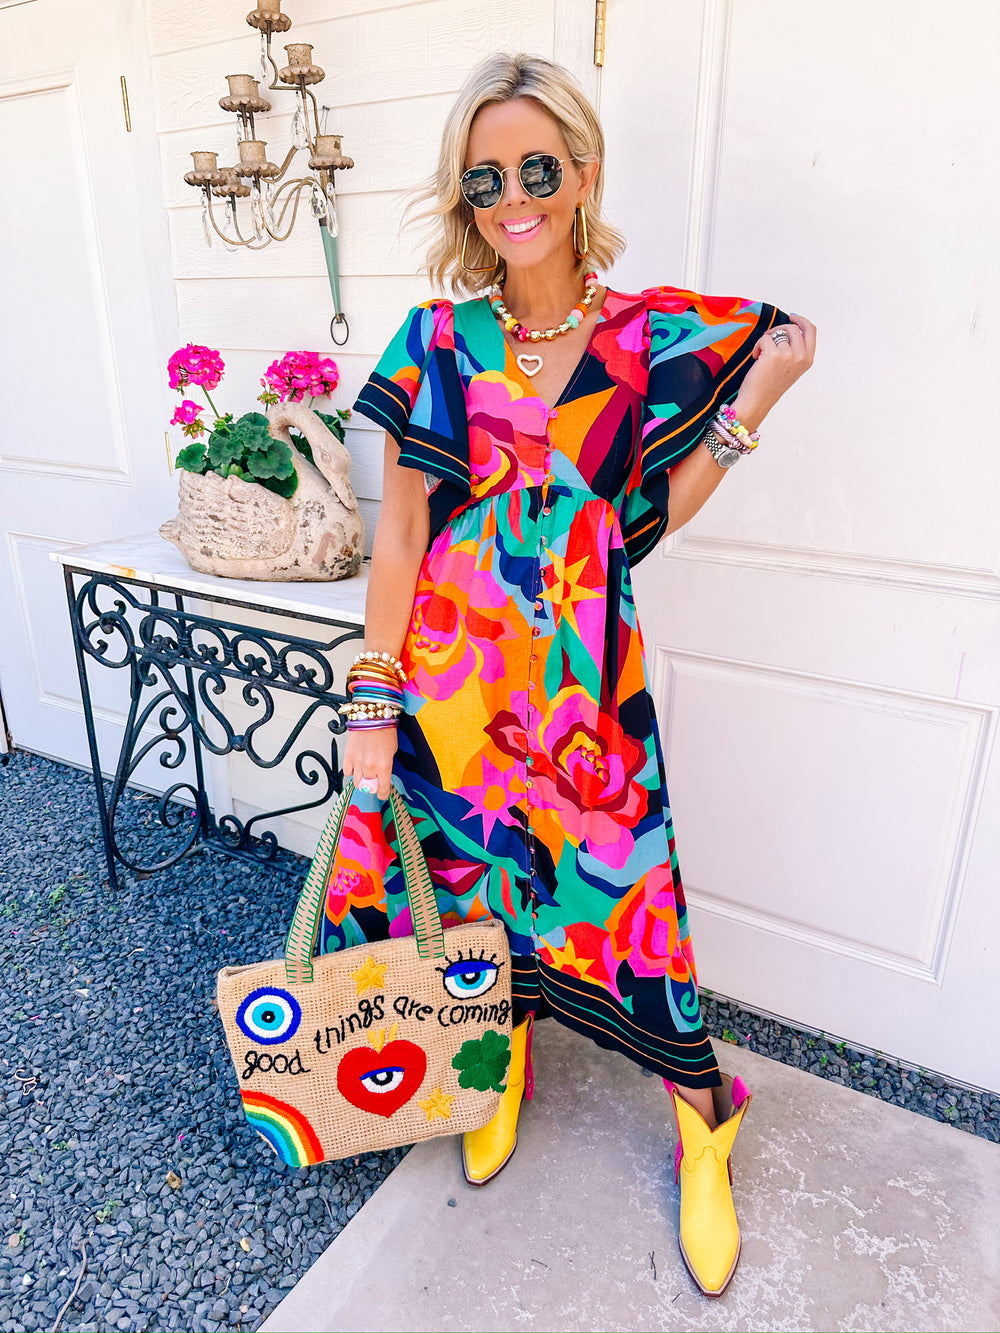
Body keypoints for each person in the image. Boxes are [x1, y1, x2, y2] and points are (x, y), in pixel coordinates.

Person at [326, 52, 815, 1297]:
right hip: (452, 688)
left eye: (536, 169)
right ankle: (497, 1057)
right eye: (485, 177)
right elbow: (400, 531)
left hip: (587, 688)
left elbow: (648, 517)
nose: (513, 198)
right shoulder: (439, 339)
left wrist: (756, 396)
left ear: (584, 173)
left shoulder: (646, 337)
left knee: (631, 900)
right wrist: (373, 696)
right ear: (465, 195)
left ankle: (704, 1120)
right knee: (474, 887)